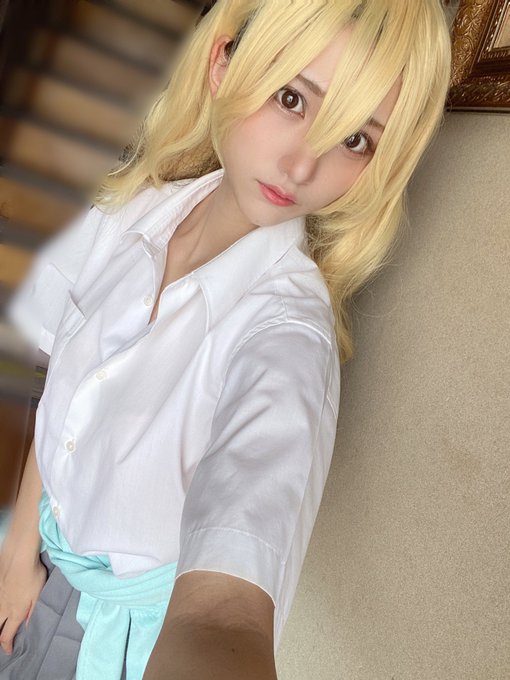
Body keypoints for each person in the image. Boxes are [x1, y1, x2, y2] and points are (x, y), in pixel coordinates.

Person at [0, 1, 452, 679]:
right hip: (34, 564)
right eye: (292, 99)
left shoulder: (288, 336)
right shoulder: (134, 214)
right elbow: (67, 392)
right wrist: (18, 554)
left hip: (121, 645)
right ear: (222, 64)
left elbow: (222, 614)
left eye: (355, 139)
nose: (301, 165)